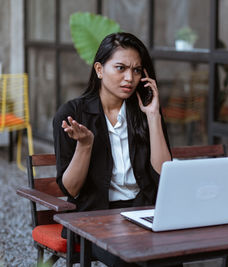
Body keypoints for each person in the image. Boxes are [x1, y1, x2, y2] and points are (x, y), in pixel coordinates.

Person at [53, 32, 172, 266]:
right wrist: (85, 145)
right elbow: (71, 189)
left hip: (143, 210)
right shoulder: (73, 114)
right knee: (130, 260)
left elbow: (163, 174)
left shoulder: (143, 110)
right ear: (99, 69)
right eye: (120, 68)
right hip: (96, 216)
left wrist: (153, 116)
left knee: (171, 257)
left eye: (137, 70)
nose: (130, 77)